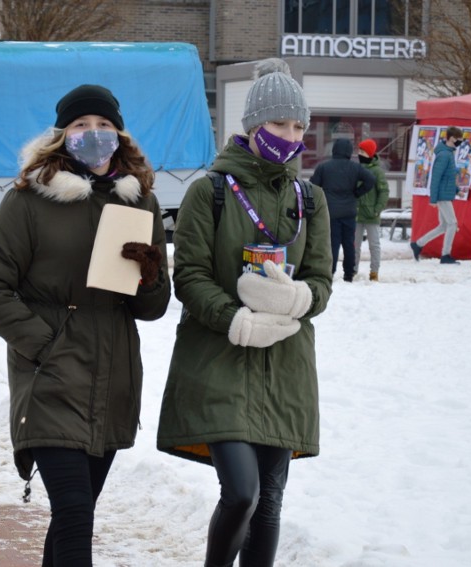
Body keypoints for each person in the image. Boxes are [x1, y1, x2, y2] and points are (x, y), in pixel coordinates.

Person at [0, 84, 171, 566]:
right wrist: (45, 344)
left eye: (104, 126)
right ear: (63, 135)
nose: (94, 134)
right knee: (76, 513)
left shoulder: (140, 203)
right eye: (82, 126)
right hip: (53, 378)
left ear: (119, 135)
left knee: (73, 518)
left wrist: (149, 275)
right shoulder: (29, 200)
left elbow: (153, 308)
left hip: (112, 380)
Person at [157, 58, 333, 567]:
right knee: (241, 493)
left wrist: (301, 300)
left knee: (271, 502)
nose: (291, 135)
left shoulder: (310, 200)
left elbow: (320, 278)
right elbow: (188, 275)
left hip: (285, 365)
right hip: (219, 360)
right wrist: (234, 318)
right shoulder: (208, 192)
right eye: (281, 124)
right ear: (254, 126)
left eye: (299, 126)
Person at [309, 137, 374, 282]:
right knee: (349, 244)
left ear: (334, 150)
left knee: (332, 243)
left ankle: (329, 272)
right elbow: (371, 180)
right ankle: (349, 274)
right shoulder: (355, 167)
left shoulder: (324, 167)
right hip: (349, 211)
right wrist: (357, 192)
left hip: (329, 211)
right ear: (350, 151)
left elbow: (313, 186)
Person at [410, 126, 463, 264]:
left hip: (445, 194)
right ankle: (445, 255)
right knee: (452, 224)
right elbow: (436, 178)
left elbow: (448, 176)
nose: (460, 142)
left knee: (444, 225)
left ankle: (418, 244)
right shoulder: (444, 155)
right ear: (452, 138)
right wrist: (433, 199)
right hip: (442, 196)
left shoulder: (448, 153)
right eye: (459, 139)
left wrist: (456, 190)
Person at [353, 138, 390, 282]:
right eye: (359, 151)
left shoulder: (377, 172)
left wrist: (377, 209)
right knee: (354, 245)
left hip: (371, 215)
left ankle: (374, 272)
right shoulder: (356, 169)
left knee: (374, 245)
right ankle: (353, 271)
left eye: (362, 151)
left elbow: (384, 192)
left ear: (369, 153)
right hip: (356, 214)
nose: (359, 154)